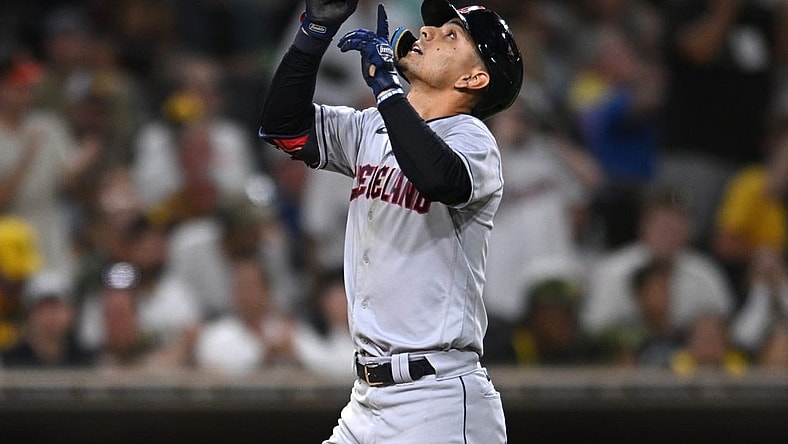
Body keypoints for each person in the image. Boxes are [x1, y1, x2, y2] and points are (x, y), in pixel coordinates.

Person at [258, 0, 522, 441]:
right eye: (435, 26)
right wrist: (314, 34)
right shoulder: (373, 127)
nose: (429, 32)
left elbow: (440, 178)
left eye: (452, 35)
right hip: (367, 401)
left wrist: (388, 90)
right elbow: (284, 128)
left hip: (437, 401)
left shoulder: (473, 139)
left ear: (473, 78)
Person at [0, 269, 94, 368]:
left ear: (72, 312)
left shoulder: (88, 361)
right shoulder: (7, 362)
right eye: (43, 308)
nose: (51, 316)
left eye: (57, 307)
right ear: (28, 315)